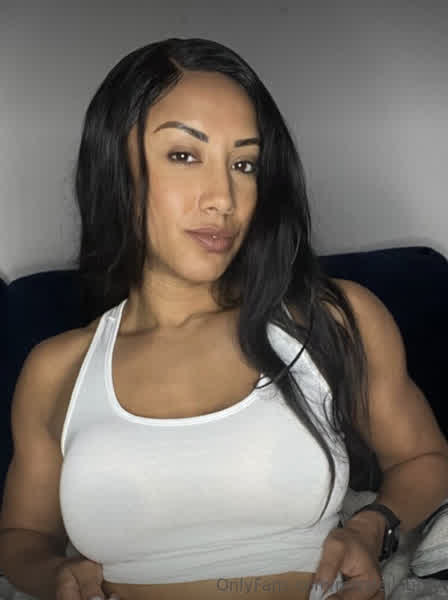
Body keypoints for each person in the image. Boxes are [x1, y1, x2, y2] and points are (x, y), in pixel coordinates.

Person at [1, 37, 448, 600]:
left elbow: (424, 458)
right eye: (184, 156)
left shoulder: (332, 318)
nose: (223, 198)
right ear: (115, 168)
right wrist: (54, 576)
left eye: (244, 164)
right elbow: (23, 536)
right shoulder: (57, 369)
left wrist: (371, 527)